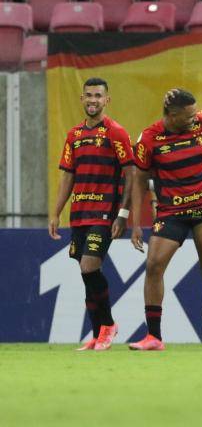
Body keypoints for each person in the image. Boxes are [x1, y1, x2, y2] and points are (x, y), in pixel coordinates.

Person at [129, 89, 202, 352]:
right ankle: (154, 336)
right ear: (172, 115)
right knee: (153, 266)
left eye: (196, 114)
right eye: (189, 116)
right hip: (172, 212)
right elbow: (139, 182)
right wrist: (135, 223)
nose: (195, 118)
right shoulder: (149, 138)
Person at [50, 77, 134, 351]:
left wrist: (122, 214)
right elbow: (67, 176)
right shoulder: (73, 135)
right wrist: (56, 212)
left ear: (107, 100)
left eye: (98, 96)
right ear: (82, 98)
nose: (93, 100)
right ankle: (97, 334)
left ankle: (108, 325)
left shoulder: (115, 132)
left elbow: (131, 174)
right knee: (87, 274)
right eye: (89, 95)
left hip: (104, 213)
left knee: (89, 266)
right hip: (79, 214)